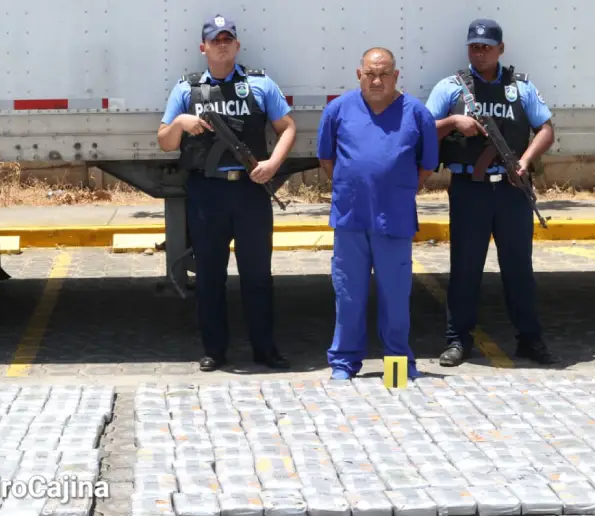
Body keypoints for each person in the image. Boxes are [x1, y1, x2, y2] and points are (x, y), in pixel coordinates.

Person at [157, 14, 297, 372]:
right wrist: (180, 122)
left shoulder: (259, 85)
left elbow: (287, 127)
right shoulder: (186, 89)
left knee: (257, 275)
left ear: (237, 45)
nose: (222, 45)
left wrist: (272, 164)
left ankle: (264, 349)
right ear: (203, 47)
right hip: (208, 193)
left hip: (251, 191)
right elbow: (165, 142)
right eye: (215, 40)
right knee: (209, 276)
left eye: (227, 39)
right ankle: (214, 351)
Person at [424, 19, 558, 367]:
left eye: (486, 47)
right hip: (470, 189)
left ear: (501, 49)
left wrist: (525, 161)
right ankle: (458, 340)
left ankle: (530, 339)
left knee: (518, 269)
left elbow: (545, 129)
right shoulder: (451, 88)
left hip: (512, 190)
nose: (479, 52)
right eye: (474, 47)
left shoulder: (520, 88)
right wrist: (453, 123)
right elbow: (421, 129)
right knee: (465, 269)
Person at [317, 47, 439, 381]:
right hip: (350, 220)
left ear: (395, 76)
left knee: (395, 300)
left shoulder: (416, 113)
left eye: (384, 74)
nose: (376, 80)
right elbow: (327, 158)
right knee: (348, 296)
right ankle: (344, 364)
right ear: (359, 75)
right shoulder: (338, 110)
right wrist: (354, 186)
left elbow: (427, 164)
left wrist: (396, 189)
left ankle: (397, 367)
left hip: (394, 220)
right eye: (370, 73)